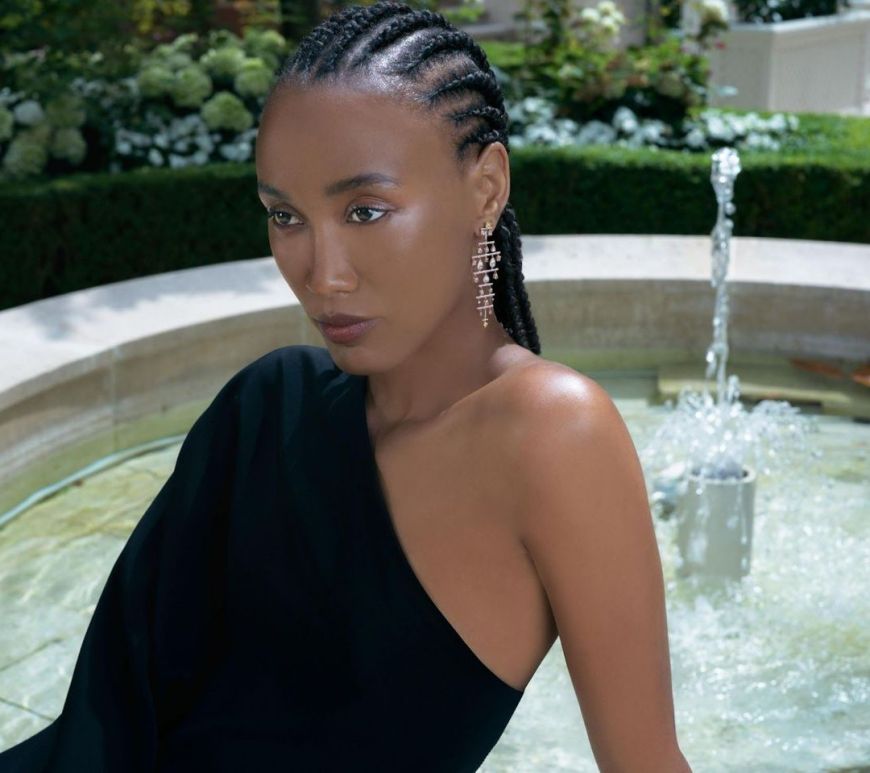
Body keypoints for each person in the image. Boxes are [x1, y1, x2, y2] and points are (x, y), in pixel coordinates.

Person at [0, 2, 691, 770]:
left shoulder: (552, 432)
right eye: (285, 216)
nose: (322, 274)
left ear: (486, 188)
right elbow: (112, 717)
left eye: (365, 210)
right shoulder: (266, 409)